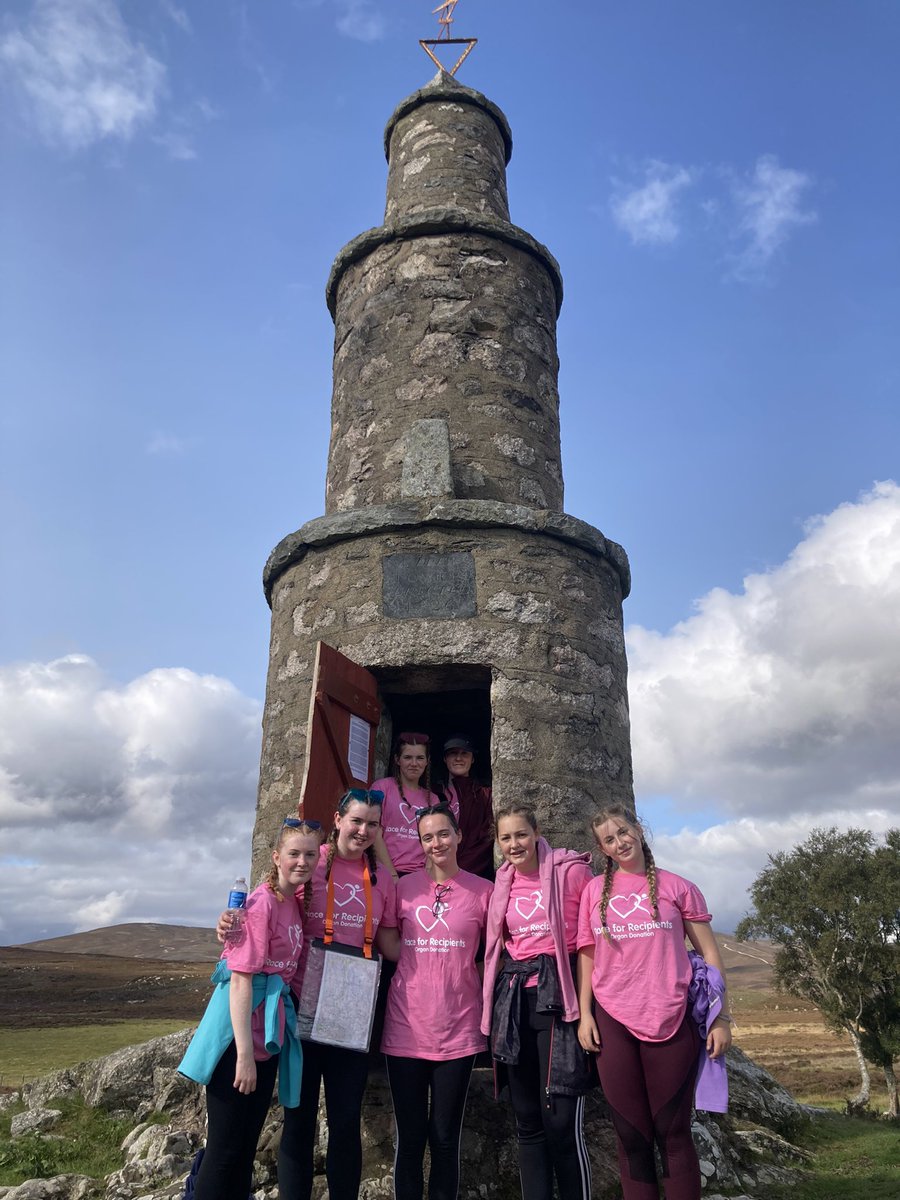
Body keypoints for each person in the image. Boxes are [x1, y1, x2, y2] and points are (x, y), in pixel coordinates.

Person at [576, 803, 732, 1200]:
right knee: (631, 1134)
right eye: (609, 839)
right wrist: (584, 1015)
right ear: (602, 849)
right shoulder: (593, 891)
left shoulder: (679, 887)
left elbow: (711, 956)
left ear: (639, 831)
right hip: (611, 1017)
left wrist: (720, 1018)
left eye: (624, 832)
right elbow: (588, 953)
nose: (620, 842)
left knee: (672, 1131)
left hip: (672, 1014)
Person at [179, 818, 322, 1200]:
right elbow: (241, 979)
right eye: (293, 854)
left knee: (243, 1150)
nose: (302, 861)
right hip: (238, 1039)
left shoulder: (292, 903)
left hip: (267, 1037)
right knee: (224, 1151)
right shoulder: (261, 904)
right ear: (276, 857)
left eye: (310, 854)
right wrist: (244, 1056)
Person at [277, 788, 399, 1200]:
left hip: (351, 1013)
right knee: (299, 1119)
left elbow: (391, 944)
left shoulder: (381, 879)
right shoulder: (310, 862)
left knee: (346, 1120)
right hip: (300, 1008)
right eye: (356, 821)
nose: (363, 831)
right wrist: (233, 921)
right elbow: (272, 904)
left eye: (372, 824)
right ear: (338, 819)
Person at [379, 801, 493, 1200]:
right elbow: (389, 940)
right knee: (409, 1141)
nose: (436, 843)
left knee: (445, 1138)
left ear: (459, 836)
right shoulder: (403, 887)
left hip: (459, 1029)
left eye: (443, 834)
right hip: (405, 1028)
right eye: (427, 837)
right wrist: (421, 957)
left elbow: (491, 954)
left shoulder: (484, 891)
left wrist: (459, 972)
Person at [481, 804, 594, 1200]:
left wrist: (587, 1011)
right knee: (527, 1121)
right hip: (515, 1002)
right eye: (506, 838)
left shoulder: (572, 873)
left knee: (560, 1123)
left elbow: (588, 943)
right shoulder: (502, 883)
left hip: (558, 1001)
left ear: (537, 832)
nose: (515, 844)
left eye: (521, 835)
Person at [372, 732, 446, 880]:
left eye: (420, 758)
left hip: (420, 877)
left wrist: (427, 875)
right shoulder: (381, 788)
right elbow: (374, 833)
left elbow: (436, 841)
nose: (414, 763)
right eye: (407, 757)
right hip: (383, 872)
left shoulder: (433, 799)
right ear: (397, 759)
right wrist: (392, 875)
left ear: (427, 761)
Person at [435, 734, 494, 880]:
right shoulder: (433, 792)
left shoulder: (485, 795)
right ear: (444, 759)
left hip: (471, 873)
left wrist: (459, 869)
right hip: (435, 870)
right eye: (453, 753)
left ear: (472, 759)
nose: (458, 758)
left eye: (464, 754)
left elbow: (487, 836)